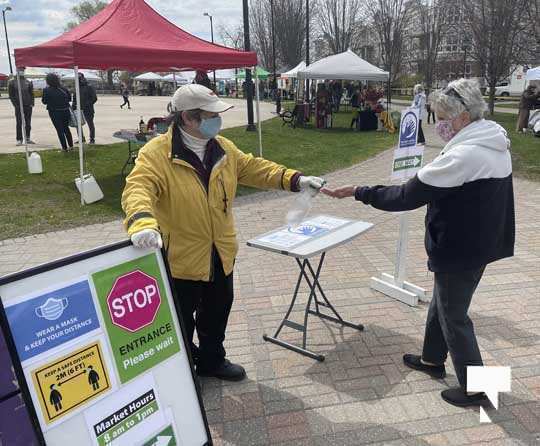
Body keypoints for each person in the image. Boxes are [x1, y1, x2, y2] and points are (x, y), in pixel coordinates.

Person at [322, 78, 515, 408]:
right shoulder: (492, 140)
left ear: (464, 117)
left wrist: (359, 191)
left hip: (461, 248)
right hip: (479, 243)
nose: (439, 124)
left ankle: (476, 388)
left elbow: (406, 195)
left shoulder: (466, 154)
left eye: (443, 117)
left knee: (455, 315)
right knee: (443, 304)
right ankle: (431, 359)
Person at [122, 84, 325, 381]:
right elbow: (138, 188)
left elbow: (255, 169)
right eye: (210, 115)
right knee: (180, 321)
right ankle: (182, 373)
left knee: (216, 314)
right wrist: (142, 223)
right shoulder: (156, 154)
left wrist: (296, 180)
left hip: (220, 252)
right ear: (188, 118)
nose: (217, 120)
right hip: (181, 258)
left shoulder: (223, 148)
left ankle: (212, 361)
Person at [42, 73, 74, 152]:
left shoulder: (47, 90)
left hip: (54, 112)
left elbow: (44, 101)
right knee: (66, 129)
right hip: (65, 111)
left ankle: (64, 148)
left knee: (60, 130)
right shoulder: (63, 89)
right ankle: (71, 146)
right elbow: (69, 99)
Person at [8, 67, 35, 146]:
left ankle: (27, 138)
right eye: (20, 70)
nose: (21, 71)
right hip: (18, 106)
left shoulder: (28, 81)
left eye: (22, 70)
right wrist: (16, 105)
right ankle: (19, 139)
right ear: (17, 71)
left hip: (28, 106)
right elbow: (11, 95)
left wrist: (32, 103)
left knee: (28, 123)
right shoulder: (12, 82)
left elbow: (32, 94)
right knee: (19, 122)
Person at [72, 73, 98, 144]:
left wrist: (86, 105)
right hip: (78, 110)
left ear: (83, 78)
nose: (78, 80)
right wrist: (73, 107)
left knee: (90, 124)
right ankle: (81, 139)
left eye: (79, 78)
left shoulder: (89, 86)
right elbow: (74, 99)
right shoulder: (76, 87)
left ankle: (92, 139)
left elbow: (94, 98)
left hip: (88, 110)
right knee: (78, 125)